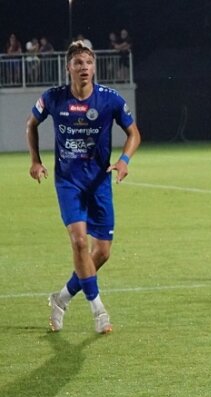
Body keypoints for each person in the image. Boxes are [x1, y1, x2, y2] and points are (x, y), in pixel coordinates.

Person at [26, 41, 141, 334]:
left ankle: (61, 298)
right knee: (79, 242)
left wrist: (124, 160)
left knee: (101, 252)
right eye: (78, 63)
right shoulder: (54, 98)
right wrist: (35, 161)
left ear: (94, 68)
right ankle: (98, 310)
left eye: (88, 63)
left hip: (100, 182)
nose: (84, 68)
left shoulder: (110, 100)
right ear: (68, 68)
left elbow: (133, 133)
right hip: (68, 182)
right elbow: (31, 125)